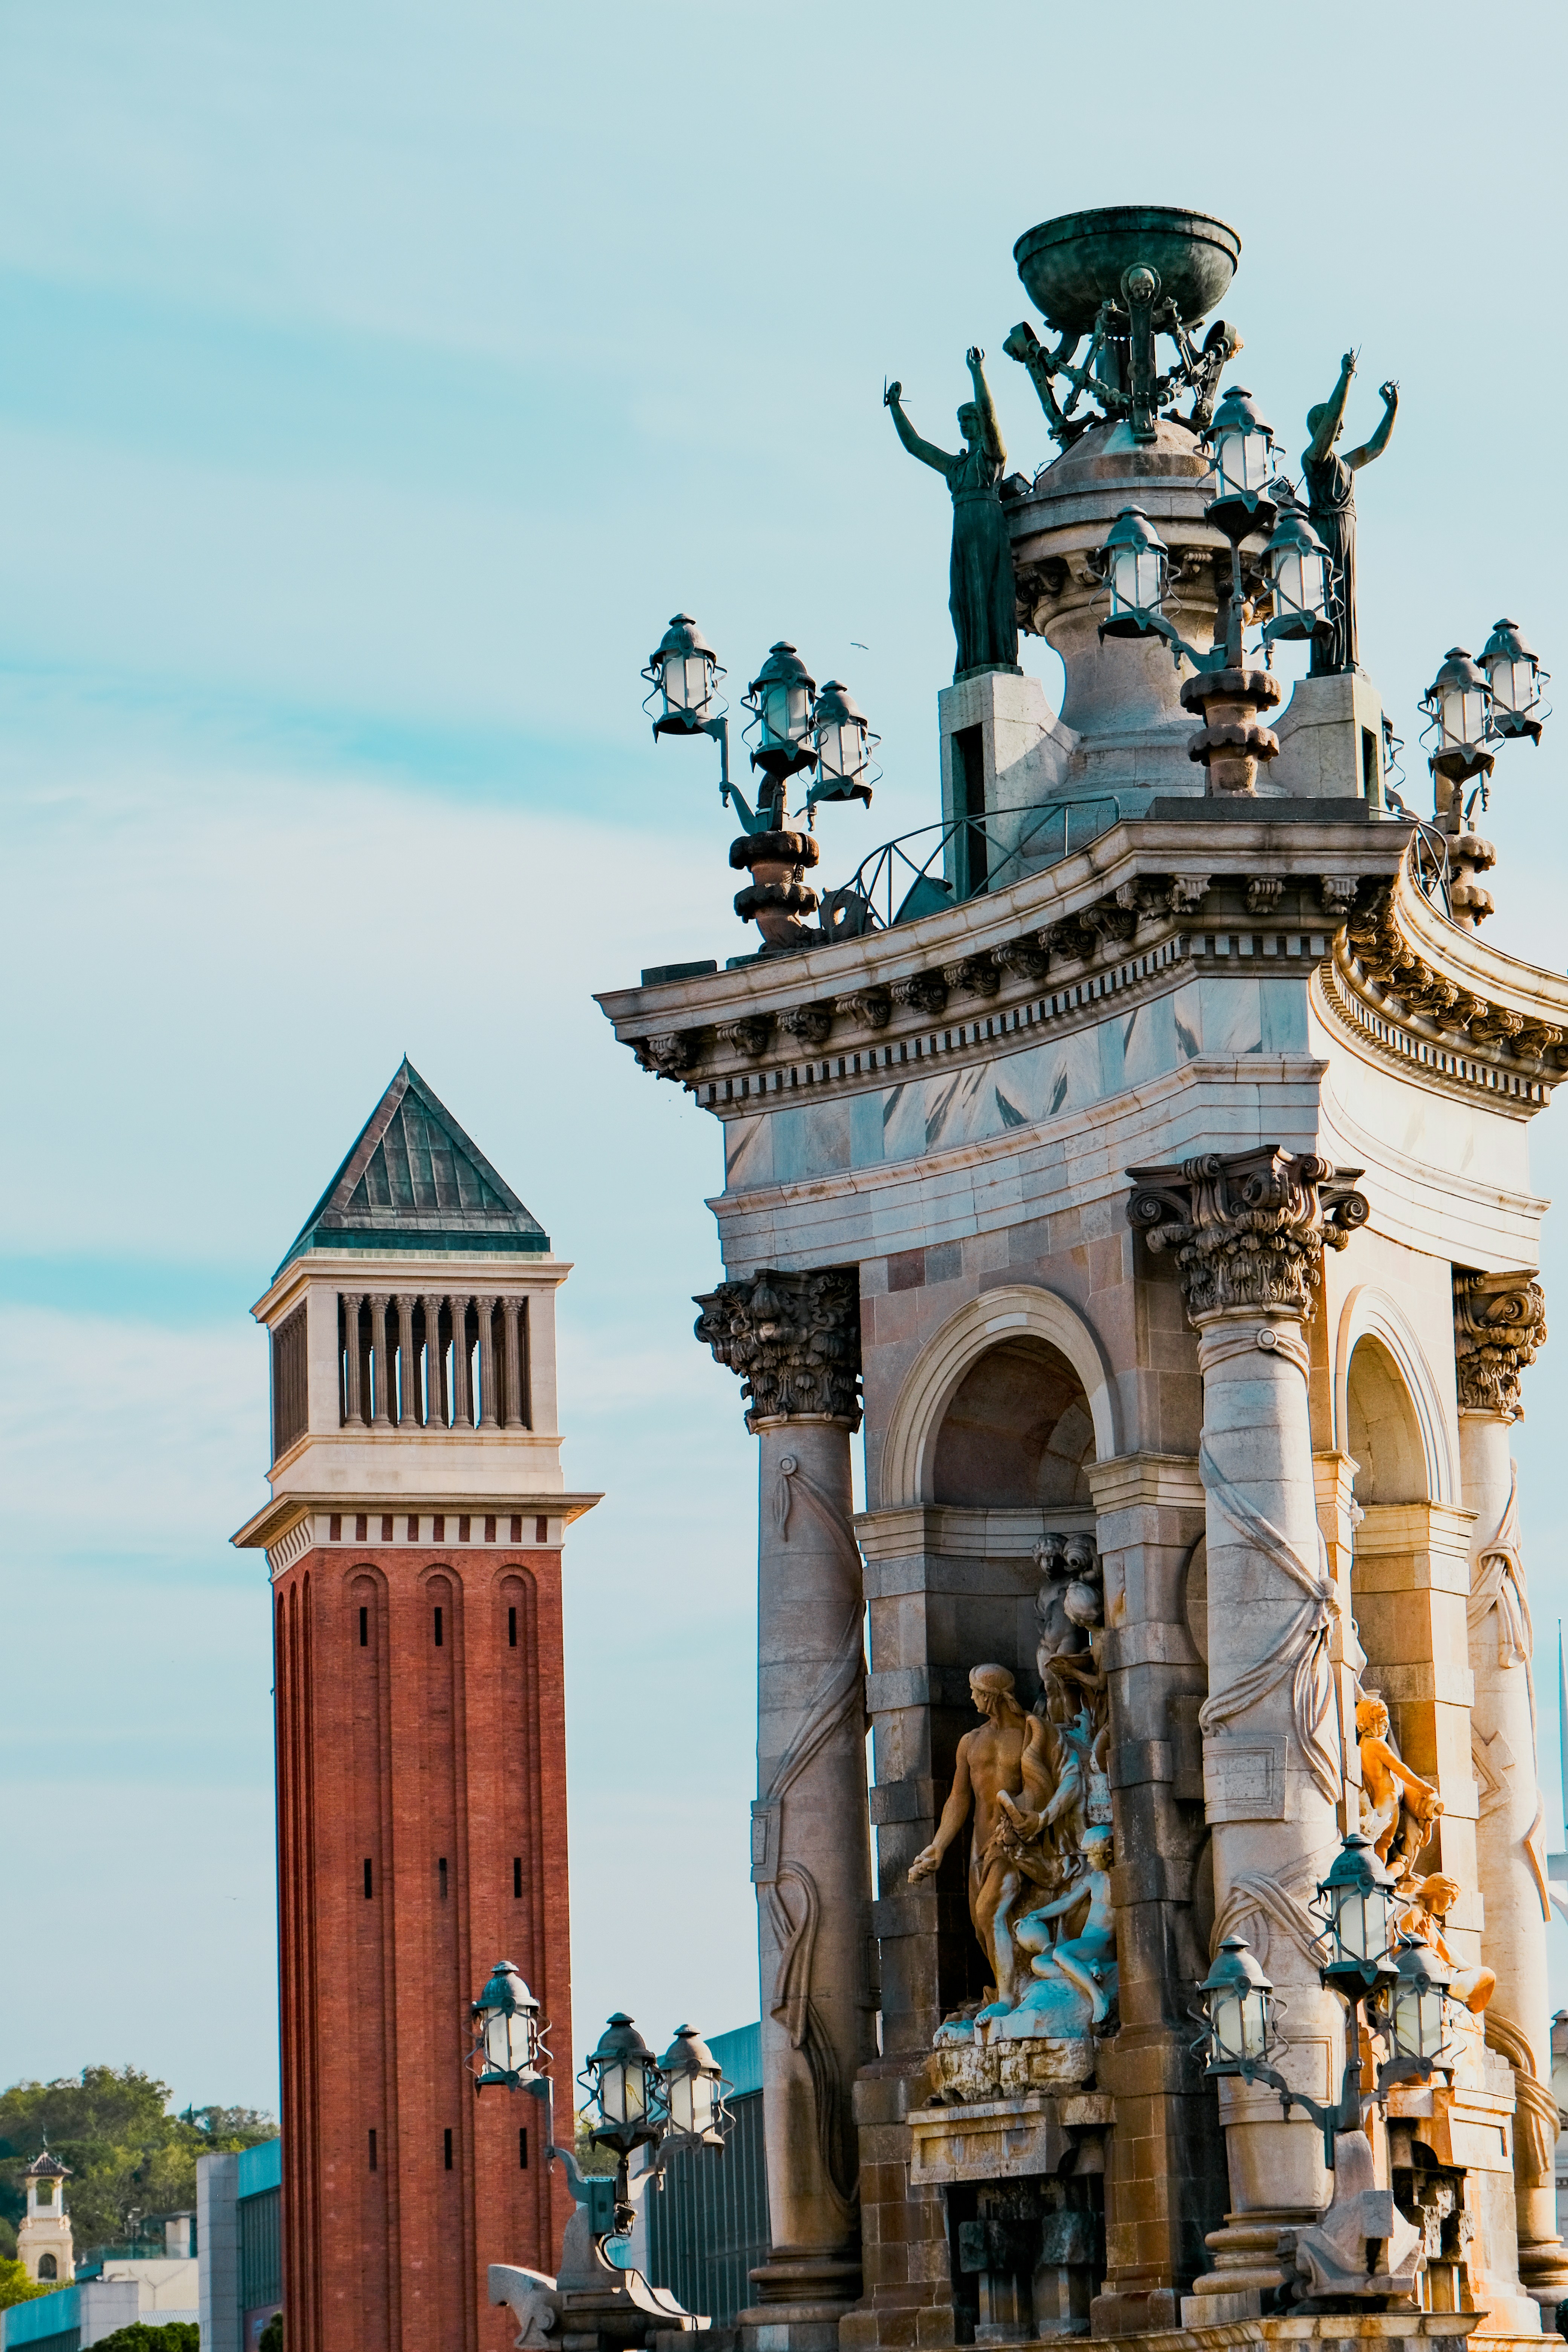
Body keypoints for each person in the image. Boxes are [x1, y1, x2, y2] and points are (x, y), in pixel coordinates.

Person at [908, 1664, 1052, 2005]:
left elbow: (1043, 1784)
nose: (971, 1697)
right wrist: (938, 1847)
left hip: (1014, 1839)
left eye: (976, 1692)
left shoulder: (1031, 1732)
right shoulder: (970, 1742)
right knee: (979, 1924)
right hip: (979, 1841)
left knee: (989, 1911)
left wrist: (1026, 1816)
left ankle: (1006, 2001)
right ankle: (1015, 1986)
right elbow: (958, 1799)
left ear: (991, 1696)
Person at [884, 348, 1020, 682]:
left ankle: (994, 658)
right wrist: (895, 408)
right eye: (960, 420)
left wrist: (977, 372)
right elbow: (915, 445)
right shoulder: (955, 466)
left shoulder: (992, 457)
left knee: (988, 591)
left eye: (969, 419)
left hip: (988, 520)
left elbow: (990, 415)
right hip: (963, 527)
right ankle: (972, 660)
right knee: (960, 600)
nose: (964, 424)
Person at [1302, 351, 1398, 676]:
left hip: (1345, 527)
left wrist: (1392, 409)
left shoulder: (1343, 464)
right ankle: (1328, 661)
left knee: (1347, 593)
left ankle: (1348, 658)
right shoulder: (1315, 459)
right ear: (1321, 426)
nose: (1341, 424)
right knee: (1330, 591)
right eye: (1332, 420)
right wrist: (1346, 377)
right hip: (1326, 528)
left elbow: (1374, 448)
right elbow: (1332, 420)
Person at [1012, 1827, 1118, 2025]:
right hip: (1086, 1946)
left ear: (1109, 1855)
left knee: (1060, 1955)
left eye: (1091, 1856)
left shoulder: (1120, 1881)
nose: (1088, 1861)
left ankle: (1097, 1995)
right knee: (1038, 1963)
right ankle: (1087, 1969)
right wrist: (1037, 1914)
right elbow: (1066, 1903)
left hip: (1102, 1944)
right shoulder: (1094, 1879)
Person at [1357, 1694, 1441, 1881]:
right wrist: (1423, 1786)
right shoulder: (1377, 1745)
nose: (1386, 1723)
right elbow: (1400, 1768)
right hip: (1388, 1801)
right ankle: (1380, 1880)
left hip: (1384, 1800)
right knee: (1384, 1843)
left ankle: (1381, 1876)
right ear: (1370, 1722)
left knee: (1385, 1843)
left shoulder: (1365, 1744)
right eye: (1382, 1720)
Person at [1398, 1874, 1495, 2015]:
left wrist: (1469, 1969)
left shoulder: (1424, 1913)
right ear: (1438, 1894)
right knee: (1488, 1977)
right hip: (1425, 1978)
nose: (1451, 1907)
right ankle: (1453, 2004)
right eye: (1451, 1900)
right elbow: (1399, 1947)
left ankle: (1456, 2004)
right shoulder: (1414, 1912)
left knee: (1485, 1976)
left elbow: (1444, 1948)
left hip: (1434, 1974)